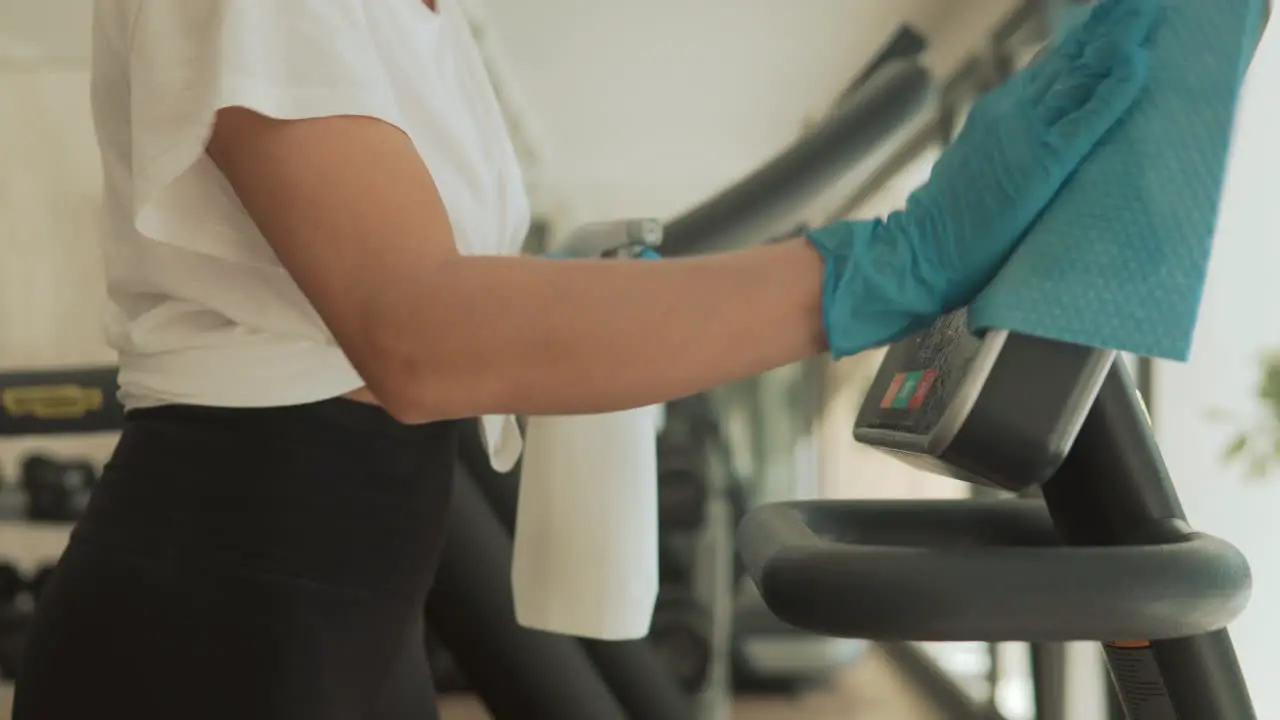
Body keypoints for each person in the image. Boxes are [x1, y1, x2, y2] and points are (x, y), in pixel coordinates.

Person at [12, 0, 1158, 718]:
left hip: (350, 601)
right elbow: (419, 332)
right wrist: (885, 268)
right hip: (223, 616)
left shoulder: (419, 22)